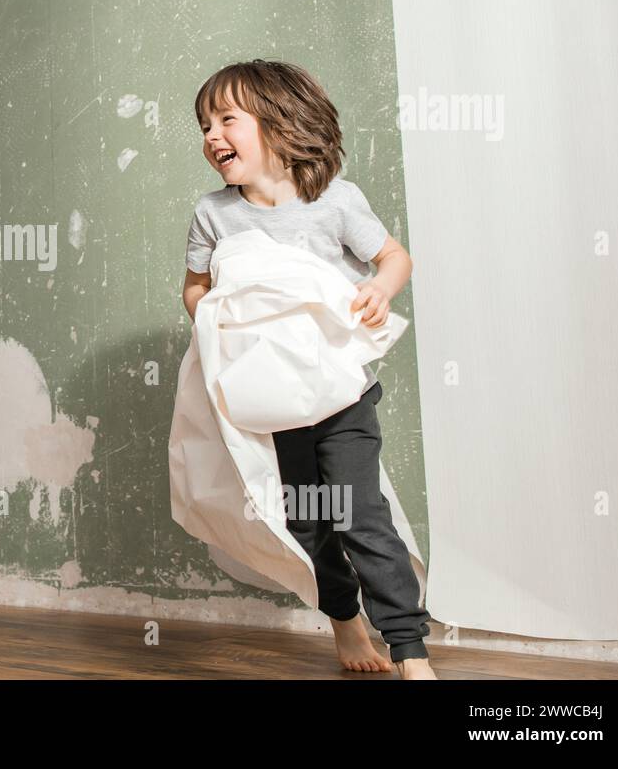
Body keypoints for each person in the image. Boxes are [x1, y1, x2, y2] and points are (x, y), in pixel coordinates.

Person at [181, 59, 435, 679]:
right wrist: (221, 321)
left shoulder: (334, 202)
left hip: (341, 393)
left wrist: (380, 288)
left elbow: (394, 257)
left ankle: (410, 649)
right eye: (204, 124)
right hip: (268, 397)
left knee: (360, 514)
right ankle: (345, 620)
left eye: (227, 120)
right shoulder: (214, 214)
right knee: (306, 517)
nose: (212, 135)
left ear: (281, 122)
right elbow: (195, 290)